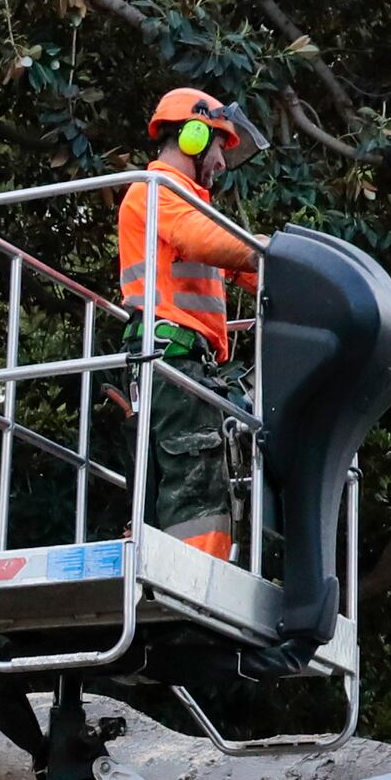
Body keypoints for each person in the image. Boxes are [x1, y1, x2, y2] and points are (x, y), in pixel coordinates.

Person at [115, 87, 264, 558]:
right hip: (172, 359)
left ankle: (189, 571)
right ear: (194, 136)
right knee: (196, 483)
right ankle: (194, 583)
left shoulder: (191, 209)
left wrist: (291, 270)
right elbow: (203, 239)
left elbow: (239, 263)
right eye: (220, 147)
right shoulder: (156, 193)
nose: (221, 163)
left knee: (199, 476)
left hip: (180, 363)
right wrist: (268, 247)